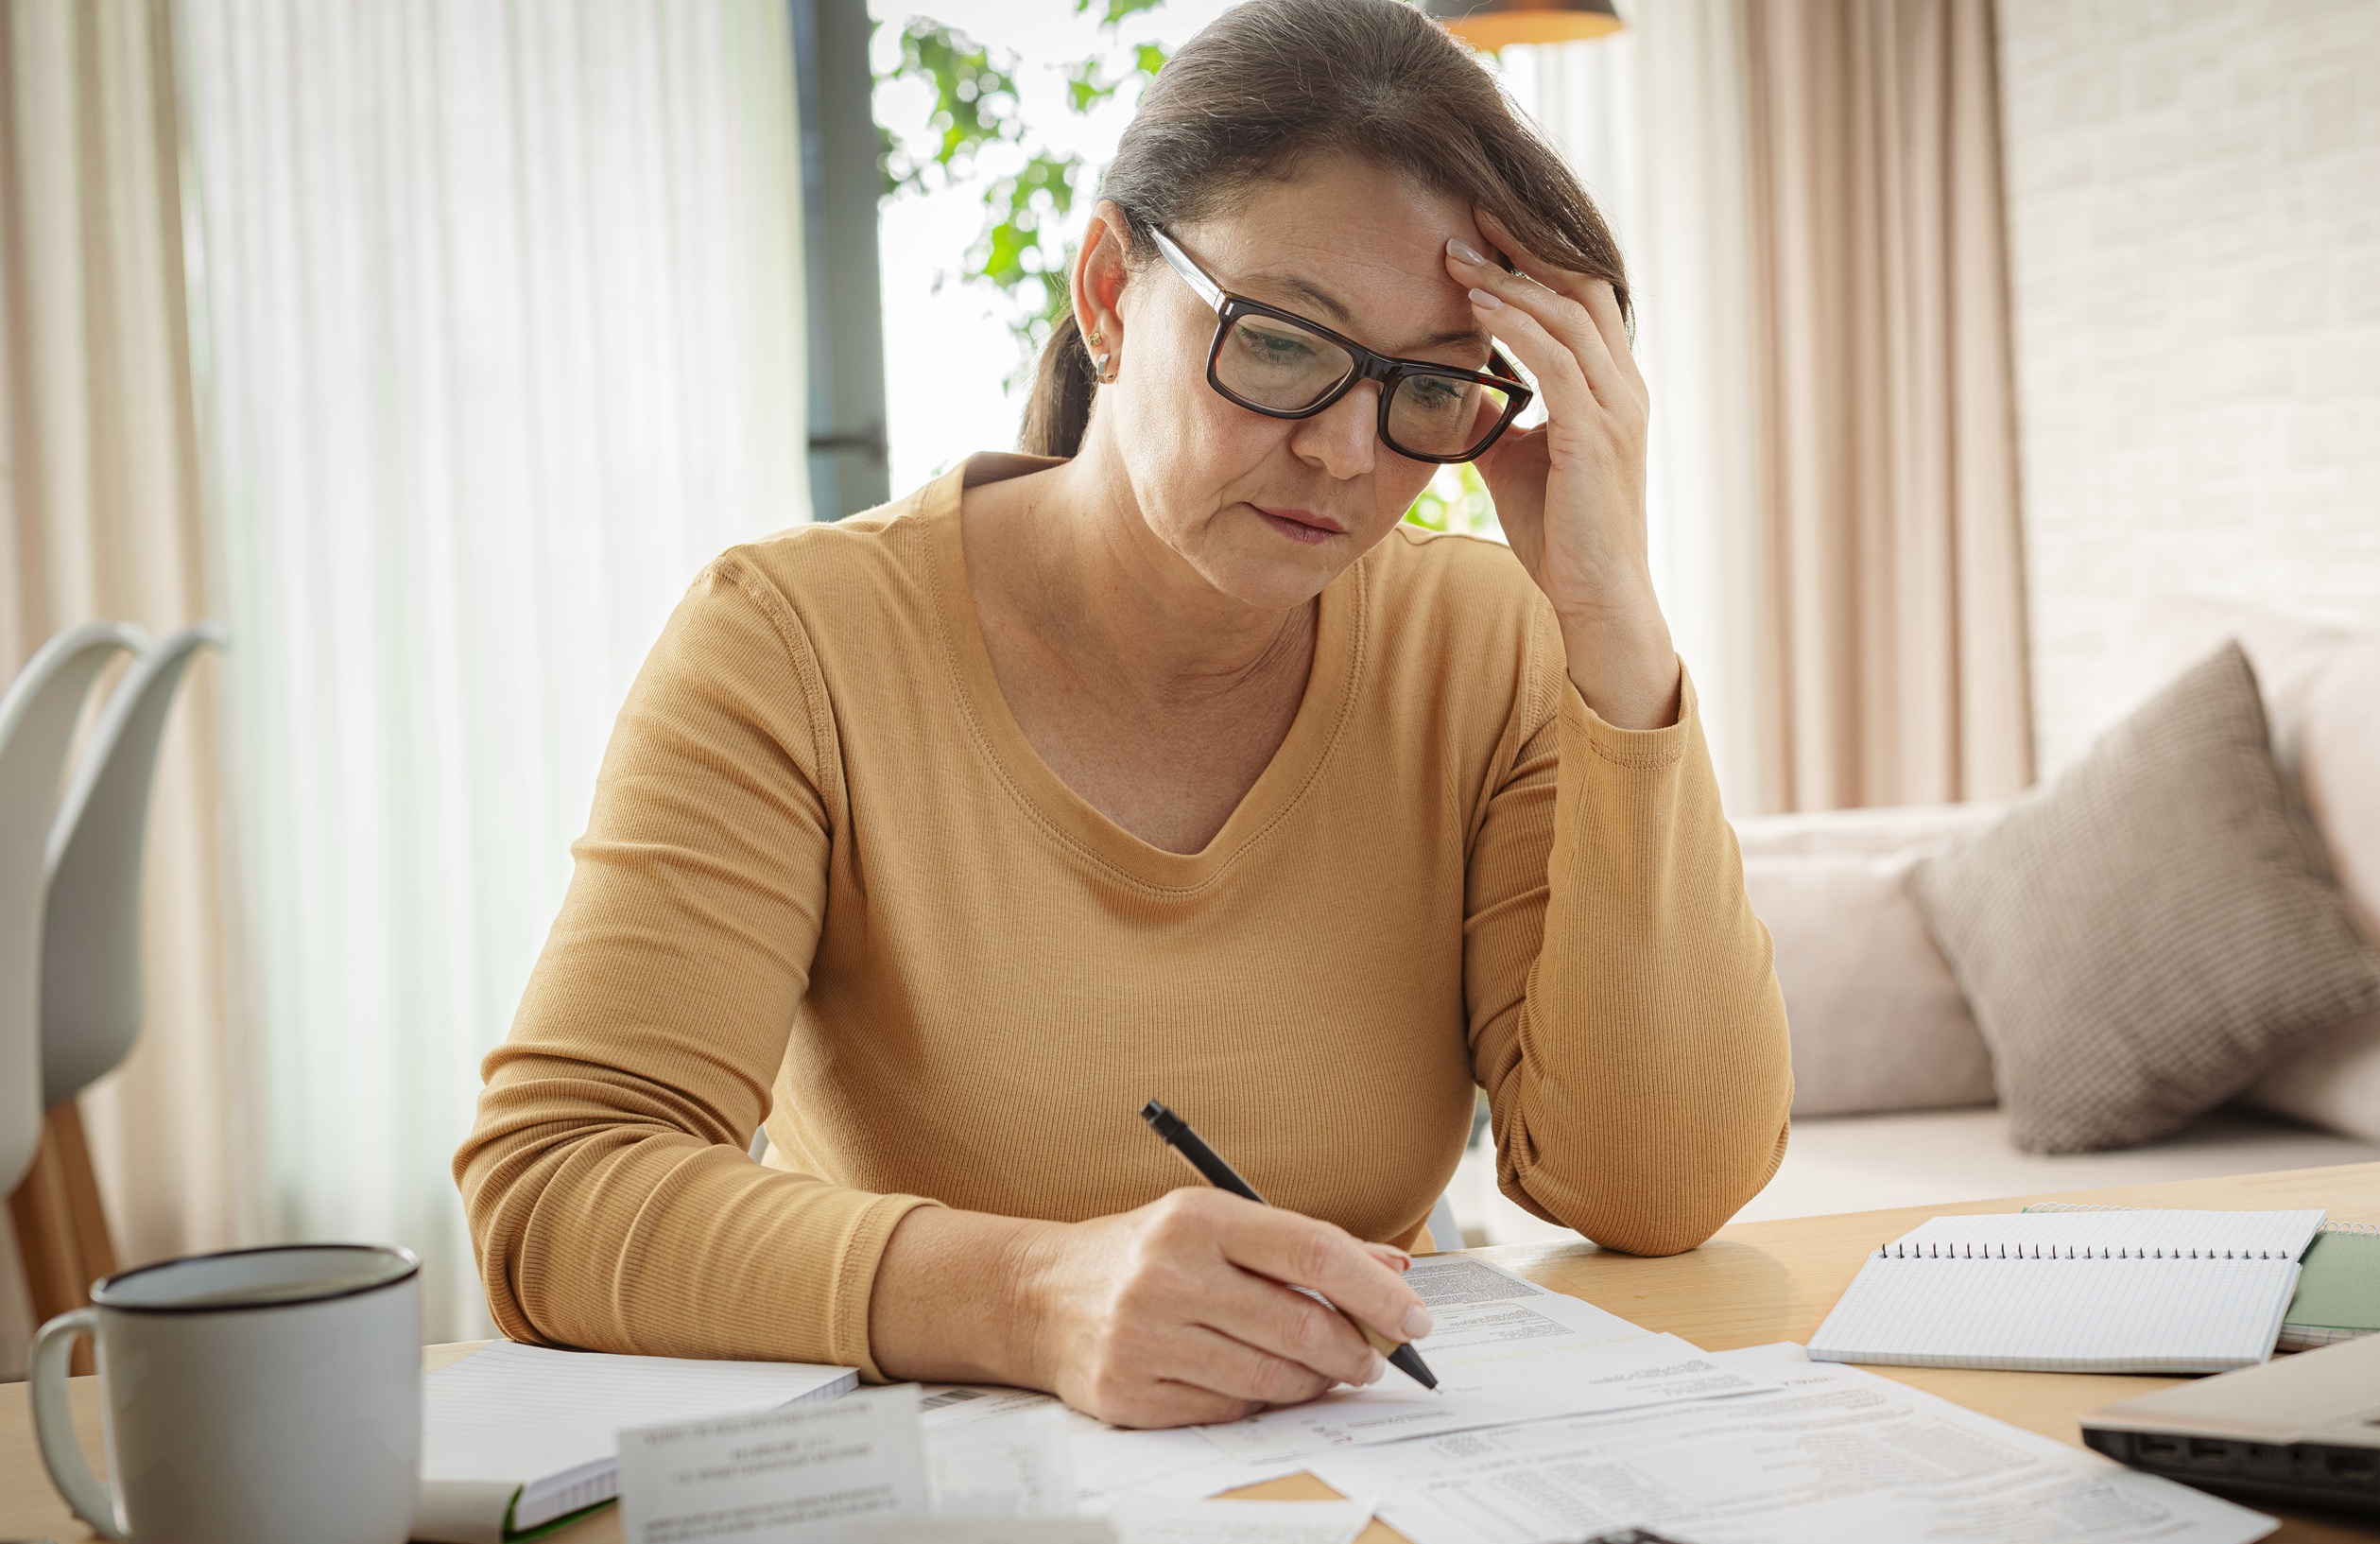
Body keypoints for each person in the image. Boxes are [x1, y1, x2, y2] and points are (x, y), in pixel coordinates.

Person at [457, 0, 1789, 1429]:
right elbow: (559, 1186)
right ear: (1108, 289)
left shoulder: (1481, 644)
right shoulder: (794, 645)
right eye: (1283, 343)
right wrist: (1033, 1298)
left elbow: (1658, 1192)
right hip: (946, 1528)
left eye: (1431, 385)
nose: (1347, 451)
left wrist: (1615, 625)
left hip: (1368, 1486)